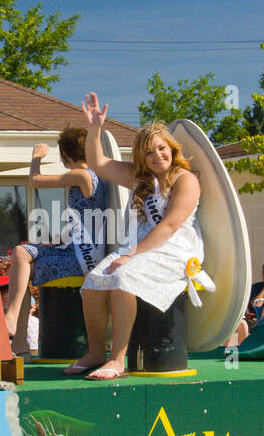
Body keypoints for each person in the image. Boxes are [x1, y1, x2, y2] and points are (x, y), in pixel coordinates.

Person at [71, 93, 203, 380]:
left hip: (174, 250)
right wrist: (95, 128)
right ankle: (96, 353)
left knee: (123, 278)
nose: (158, 156)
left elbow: (168, 227)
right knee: (93, 283)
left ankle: (118, 360)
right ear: (141, 158)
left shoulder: (186, 179)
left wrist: (131, 255)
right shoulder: (140, 178)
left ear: (171, 148)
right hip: (139, 247)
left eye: (161, 148)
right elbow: (98, 162)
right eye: (149, 152)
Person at [3, 128, 107, 356]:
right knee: (25, 261)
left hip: (83, 258)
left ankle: (11, 317)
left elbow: (35, 181)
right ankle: (19, 343)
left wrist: (36, 157)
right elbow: (86, 221)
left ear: (65, 156)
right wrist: (59, 241)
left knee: (22, 253)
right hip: (78, 248)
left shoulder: (83, 174)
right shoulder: (93, 177)